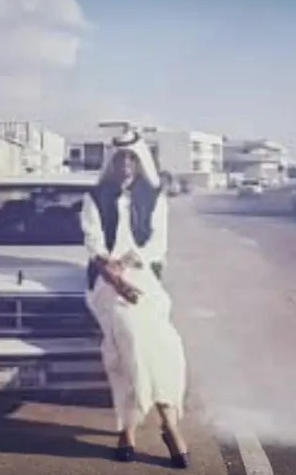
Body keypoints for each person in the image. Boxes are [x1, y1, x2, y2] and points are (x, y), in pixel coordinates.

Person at [80, 129, 189, 468]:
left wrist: (125, 265)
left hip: (143, 280)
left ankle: (128, 428)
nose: (126, 164)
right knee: (133, 337)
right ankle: (168, 428)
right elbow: (93, 241)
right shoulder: (95, 197)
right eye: (119, 158)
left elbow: (158, 245)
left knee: (163, 346)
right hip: (104, 283)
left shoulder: (155, 196)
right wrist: (112, 274)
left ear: (140, 161)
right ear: (111, 163)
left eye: (131, 158)